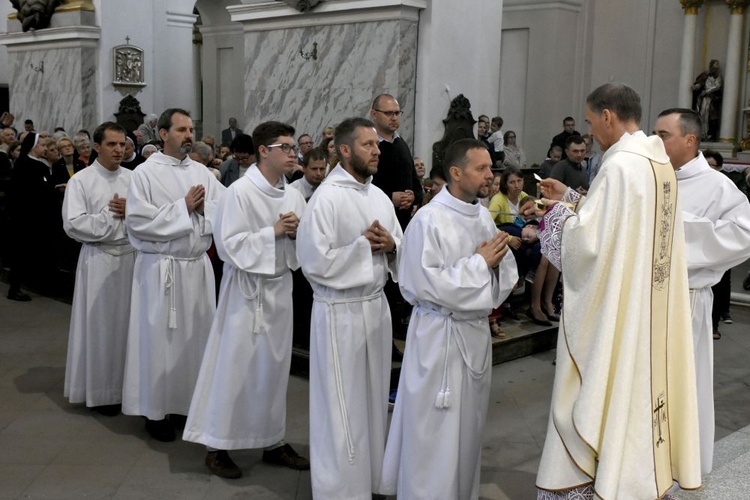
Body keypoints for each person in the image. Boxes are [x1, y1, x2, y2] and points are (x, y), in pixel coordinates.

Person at [533, 83, 701, 499]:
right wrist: (572, 198)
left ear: (607, 116)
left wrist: (553, 216)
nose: (590, 132)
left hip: (623, 315)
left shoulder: (620, 165)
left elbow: (589, 247)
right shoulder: (656, 163)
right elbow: (621, 227)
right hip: (649, 310)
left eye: (591, 122)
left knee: (601, 399)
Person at [380, 139, 517, 499]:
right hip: (438, 337)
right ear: (456, 173)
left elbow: (505, 275)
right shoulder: (429, 219)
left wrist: (498, 262)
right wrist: (479, 264)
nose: (491, 175)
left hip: (473, 335)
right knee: (433, 432)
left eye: (491, 168)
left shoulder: (482, 215)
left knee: (468, 428)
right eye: (482, 169)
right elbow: (421, 285)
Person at [183, 121, 308, 478]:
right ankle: (217, 444)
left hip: (279, 289)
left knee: (273, 368)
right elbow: (227, 246)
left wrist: (299, 234)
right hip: (246, 291)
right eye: (285, 147)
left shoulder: (294, 194)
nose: (292, 154)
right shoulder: (239, 192)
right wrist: (274, 232)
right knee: (234, 366)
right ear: (263, 151)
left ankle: (272, 439)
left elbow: (306, 244)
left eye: (293, 147)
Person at [296, 117, 403, 499]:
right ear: (344, 150)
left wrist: (391, 245)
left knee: (372, 401)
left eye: (377, 145)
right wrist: (363, 246)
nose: (377, 151)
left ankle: (371, 480)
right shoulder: (325, 198)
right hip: (339, 313)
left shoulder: (379, 197)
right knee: (342, 405)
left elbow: (399, 248)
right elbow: (312, 262)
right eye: (368, 145)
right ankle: (340, 488)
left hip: (374, 310)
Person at [653, 108, 750, 476]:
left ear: (690, 140)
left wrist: (672, 227)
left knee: (681, 387)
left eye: (663, 134)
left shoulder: (717, 186)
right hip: (649, 300)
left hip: (687, 300)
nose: (655, 141)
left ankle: (681, 469)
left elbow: (743, 236)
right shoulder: (653, 178)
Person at [122, 108, 226, 442]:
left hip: (196, 268)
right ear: (163, 134)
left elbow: (225, 212)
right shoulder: (144, 173)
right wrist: (184, 208)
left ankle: (187, 405)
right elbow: (138, 222)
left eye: (191, 129)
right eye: (181, 129)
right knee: (159, 341)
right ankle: (156, 411)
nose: (188, 135)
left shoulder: (203, 172)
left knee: (195, 339)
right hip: (161, 270)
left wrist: (203, 211)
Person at [62, 122, 136, 416]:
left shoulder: (134, 178)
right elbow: (73, 224)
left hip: (132, 258)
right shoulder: (82, 181)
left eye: (122, 144)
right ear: (96, 146)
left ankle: (129, 388)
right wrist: (109, 215)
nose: (119, 150)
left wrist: (131, 213)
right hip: (100, 259)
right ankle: (103, 391)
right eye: (112, 144)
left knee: (131, 326)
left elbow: (149, 218)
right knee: (102, 327)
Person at [692, 60, 722, 141]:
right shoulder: (705, 75)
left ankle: (711, 135)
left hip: (712, 101)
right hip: (704, 100)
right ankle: (702, 134)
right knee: (702, 115)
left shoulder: (718, 77)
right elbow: (700, 83)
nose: (717, 66)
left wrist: (707, 92)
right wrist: (697, 86)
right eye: (716, 64)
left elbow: (718, 87)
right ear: (711, 66)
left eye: (718, 65)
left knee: (712, 118)